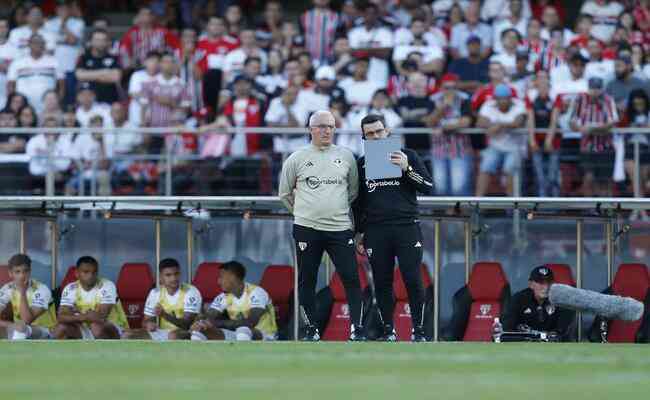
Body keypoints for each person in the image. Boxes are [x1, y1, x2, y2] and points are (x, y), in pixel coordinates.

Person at [278, 110, 365, 341]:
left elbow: (353, 191)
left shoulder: (346, 156)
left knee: (352, 279)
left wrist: (333, 210)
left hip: (339, 228)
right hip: (307, 229)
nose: (326, 130)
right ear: (310, 129)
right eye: (321, 126)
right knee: (307, 280)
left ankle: (358, 329)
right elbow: (285, 193)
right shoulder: (296, 158)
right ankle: (311, 330)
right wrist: (304, 214)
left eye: (331, 126)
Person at [353, 114, 433, 342]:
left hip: (406, 226)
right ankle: (389, 331)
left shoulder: (408, 155)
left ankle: (419, 331)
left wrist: (406, 168)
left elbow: (427, 186)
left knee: (412, 278)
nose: (376, 136)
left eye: (379, 131)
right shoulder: (361, 164)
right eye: (370, 133)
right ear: (364, 137)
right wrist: (358, 232)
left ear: (387, 131)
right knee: (381, 281)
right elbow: (358, 203)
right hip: (376, 230)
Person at [190, 261, 278, 341]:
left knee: (243, 331)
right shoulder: (224, 297)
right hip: (238, 334)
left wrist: (216, 323)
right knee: (199, 332)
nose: (218, 282)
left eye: (221, 277)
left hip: (266, 336)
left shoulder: (257, 292)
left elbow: (250, 323)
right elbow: (209, 318)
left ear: (233, 277)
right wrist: (201, 323)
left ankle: (243, 358)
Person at [123, 258, 201, 341]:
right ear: (160, 277)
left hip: (188, 332)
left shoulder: (190, 291)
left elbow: (187, 324)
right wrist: (148, 324)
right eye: (168, 275)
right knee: (128, 335)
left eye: (176, 274)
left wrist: (164, 315)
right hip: (163, 332)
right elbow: (146, 320)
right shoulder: (155, 293)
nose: (173, 278)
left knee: (173, 336)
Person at [52, 256, 128, 339]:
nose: (91, 275)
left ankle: (105, 351)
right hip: (85, 328)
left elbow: (101, 317)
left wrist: (75, 314)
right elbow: (61, 317)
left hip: (112, 328)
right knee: (61, 328)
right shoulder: (70, 288)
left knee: (96, 327)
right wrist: (85, 316)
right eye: (86, 272)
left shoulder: (107, 285)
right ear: (77, 273)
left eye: (94, 272)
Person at [476, 83, 527, 196]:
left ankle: (512, 209)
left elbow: (518, 122)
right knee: (485, 167)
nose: (503, 101)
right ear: (495, 99)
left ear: (510, 98)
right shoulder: (489, 105)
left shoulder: (519, 104)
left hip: (515, 147)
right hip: (495, 146)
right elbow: (480, 122)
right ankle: (477, 204)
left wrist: (499, 125)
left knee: (509, 170)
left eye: (505, 98)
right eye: (500, 98)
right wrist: (493, 126)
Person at [502, 266, 574, 341]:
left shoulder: (560, 300)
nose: (546, 287)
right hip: (524, 346)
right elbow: (507, 328)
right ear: (530, 284)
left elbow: (563, 331)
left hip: (552, 346)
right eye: (541, 283)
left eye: (549, 283)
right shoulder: (519, 299)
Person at [0, 254, 57, 340]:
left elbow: (26, 320)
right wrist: (11, 325)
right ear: (10, 273)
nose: (22, 276)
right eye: (17, 272)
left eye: (25, 271)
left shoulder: (42, 289)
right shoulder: (7, 288)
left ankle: (17, 353)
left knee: (21, 329)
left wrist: (22, 292)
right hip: (19, 328)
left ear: (30, 271)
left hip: (46, 331)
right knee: (19, 329)